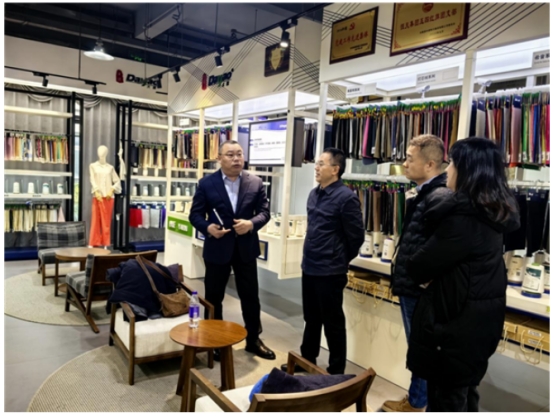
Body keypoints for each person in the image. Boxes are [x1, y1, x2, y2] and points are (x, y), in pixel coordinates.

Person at [405, 137, 520, 412]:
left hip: (452, 327)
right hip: (474, 325)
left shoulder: (463, 219)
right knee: (465, 393)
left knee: (447, 400)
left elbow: (417, 267)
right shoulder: (493, 212)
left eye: (453, 163)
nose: (448, 169)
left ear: (468, 170)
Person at [383, 134, 452, 413]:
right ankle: (417, 399)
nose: (404, 164)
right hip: (412, 284)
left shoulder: (438, 197)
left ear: (430, 164)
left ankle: (416, 403)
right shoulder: (425, 194)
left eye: (410, 159)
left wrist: (419, 278)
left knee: (421, 347)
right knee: (419, 347)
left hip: (419, 289)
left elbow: (440, 248)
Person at [189, 140, 275, 360]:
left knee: (250, 296)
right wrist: (208, 228)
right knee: (214, 297)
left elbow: (265, 212)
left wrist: (251, 224)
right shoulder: (207, 184)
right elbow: (195, 215)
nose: (236, 159)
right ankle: (214, 340)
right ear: (219, 158)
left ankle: (253, 339)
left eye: (239, 154)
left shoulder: (255, 182)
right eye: (230, 155)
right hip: (218, 248)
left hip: (246, 248)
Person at [281, 147, 364, 375]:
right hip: (310, 266)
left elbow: (356, 237)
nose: (316, 168)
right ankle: (307, 359)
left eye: (321, 164)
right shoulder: (314, 194)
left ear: (335, 169)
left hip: (330, 271)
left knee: (332, 322)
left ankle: (336, 371)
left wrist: (338, 258)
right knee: (311, 318)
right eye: (316, 164)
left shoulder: (346, 198)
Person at [89, 145, 121, 248]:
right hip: (97, 196)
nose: (101, 153)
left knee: (106, 221)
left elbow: (117, 181)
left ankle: (105, 243)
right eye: (99, 151)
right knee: (95, 220)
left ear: (106, 153)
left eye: (103, 151)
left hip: (108, 197)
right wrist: (96, 191)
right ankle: (93, 242)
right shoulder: (93, 166)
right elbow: (92, 179)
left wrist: (111, 190)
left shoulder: (110, 168)